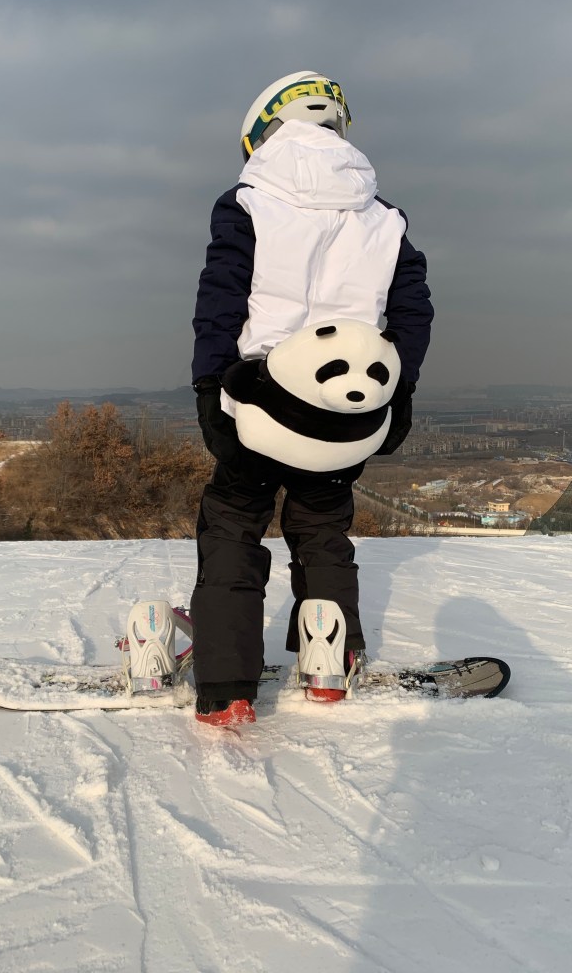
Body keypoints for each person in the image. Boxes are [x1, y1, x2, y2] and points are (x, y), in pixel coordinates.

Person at [190, 71, 434, 726]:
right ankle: (331, 664)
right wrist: (401, 389)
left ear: (259, 133)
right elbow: (412, 312)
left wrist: (210, 387)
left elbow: (221, 301)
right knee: (323, 527)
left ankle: (226, 686)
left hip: (262, 403)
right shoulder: (386, 218)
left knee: (233, 525)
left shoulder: (247, 202)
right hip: (346, 411)